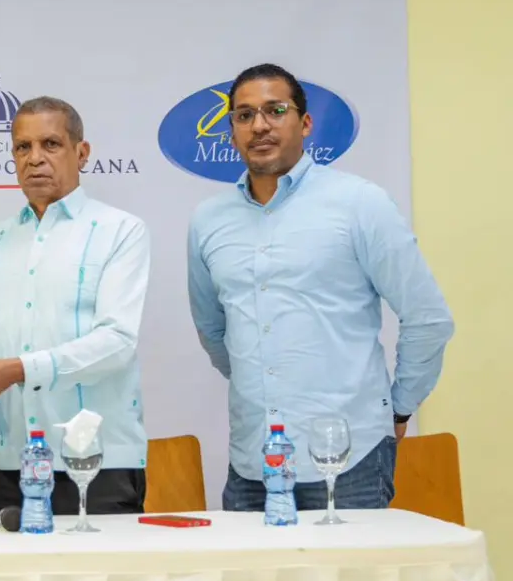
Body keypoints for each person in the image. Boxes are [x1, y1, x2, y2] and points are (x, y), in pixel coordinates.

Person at [186, 63, 454, 511]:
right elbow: (213, 330)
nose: (260, 126)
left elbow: (428, 318)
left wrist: (399, 409)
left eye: (275, 110)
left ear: (305, 123)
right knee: (249, 564)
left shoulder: (359, 204)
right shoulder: (208, 220)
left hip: (350, 461)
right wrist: (266, 375)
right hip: (252, 464)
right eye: (244, 115)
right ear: (231, 131)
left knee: (353, 564)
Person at [0, 96, 151, 516]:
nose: (35, 158)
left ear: (82, 152)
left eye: (51, 144)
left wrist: (18, 370)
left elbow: (117, 342)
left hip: (99, 463)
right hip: (11, 467)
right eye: (23, 147)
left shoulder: (121, 232)